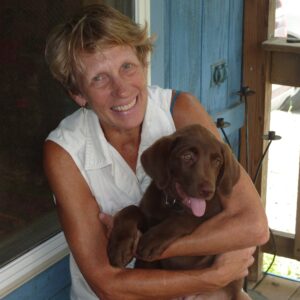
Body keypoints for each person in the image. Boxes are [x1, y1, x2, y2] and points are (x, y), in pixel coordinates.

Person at [43, 3, 269, 300]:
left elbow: (253, 226)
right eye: (99, 78)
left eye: (127, 67)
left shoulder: (180, 110)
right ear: (78, 94)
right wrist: (213, 275)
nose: (121, 89)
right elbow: (108, 285)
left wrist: (155, 241)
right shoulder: (65, 152)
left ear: (143, 63)